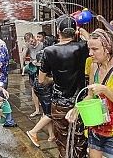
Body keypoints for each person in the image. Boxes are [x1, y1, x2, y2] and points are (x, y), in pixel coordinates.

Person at [69, 28, 113, 157]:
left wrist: (106, 91)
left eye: (95, 49)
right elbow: (90, 95)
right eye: (89, 49)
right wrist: (76, 108)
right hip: (96, 127)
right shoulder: (94, 66)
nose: (90, 53)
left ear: (108, 48)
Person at [38, 15, 89, 157]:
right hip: (79, 103)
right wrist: (82, 31)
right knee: (79, 140)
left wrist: (54, 79)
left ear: (58, 31)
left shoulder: (49, 51)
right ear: (74, 31)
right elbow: (92, 41)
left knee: (62, 140)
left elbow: (41, 80)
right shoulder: (82, 47)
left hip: (59, 103)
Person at [23, 33, 44, 117]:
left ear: (34, 37)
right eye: (29, 42)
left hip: (41, 69)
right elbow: (24, 56)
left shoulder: (42, 45)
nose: (31, 43)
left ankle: (44, 108)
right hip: (33, 68)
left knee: (42, 88)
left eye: (31, 41)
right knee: (33, 89)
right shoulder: (28, 46)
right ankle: (37, 110)